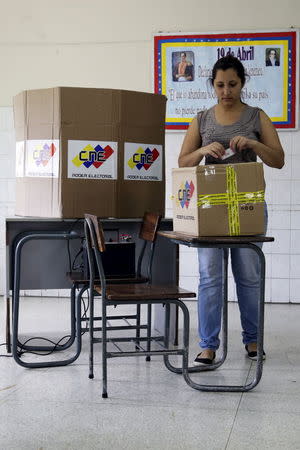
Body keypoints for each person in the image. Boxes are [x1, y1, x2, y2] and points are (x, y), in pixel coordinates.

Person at [178, 55, 284, 366]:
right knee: (210, 277)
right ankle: (208, 345)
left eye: (233, 85)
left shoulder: (256, 116)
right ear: (212, 85)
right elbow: (183, 161)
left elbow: (278, 159)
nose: (226, 91)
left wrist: (254, 146)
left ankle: (253, 340)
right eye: (221, 85)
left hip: (247, 205)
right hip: (211, 208)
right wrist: (201, 150)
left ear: (242, 84)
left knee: (248, 277)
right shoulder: (201, 119)